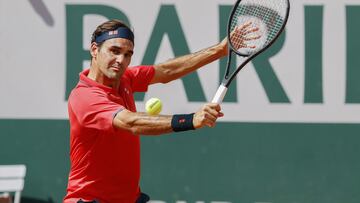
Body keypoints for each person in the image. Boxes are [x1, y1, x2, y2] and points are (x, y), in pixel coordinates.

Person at [63, 19, 259, 203]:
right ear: (94, 50)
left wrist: (219, 50)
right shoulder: (84, 97)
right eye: (114, 51)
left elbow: (166, 71)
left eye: (127, 54)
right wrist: (191, 120)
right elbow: (131, 122)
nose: (121, 60)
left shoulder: (125, 79)